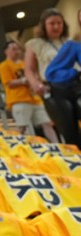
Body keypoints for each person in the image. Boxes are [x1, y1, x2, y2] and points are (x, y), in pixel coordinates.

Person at [24, 8, 76, 145]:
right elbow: (29, 69)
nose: (56, 26)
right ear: (44, 25)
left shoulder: (69, 42)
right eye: (52, 23)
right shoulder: (34, 44)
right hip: (54, 89)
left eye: (59, 23)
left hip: (75, 84)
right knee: (68, 127)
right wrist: (35, 84)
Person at [0, 40, 58, 142]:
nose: (17, 51)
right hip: (19, 99)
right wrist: (24, 80)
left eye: (17, 49)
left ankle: (57, 145)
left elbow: (35, 77)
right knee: (22, 126)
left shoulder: (25, 64)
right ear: (6, 51)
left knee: (47, 123)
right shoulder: (4, 65)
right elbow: (9, 83)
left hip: (34, 99)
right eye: (13, 49)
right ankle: (14, 145)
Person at [41, 9, 81, 147]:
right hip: (66, 92)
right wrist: (76, 72)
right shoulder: (74, 46)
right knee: (72, 136)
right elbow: (52, 72)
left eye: (59, 23)